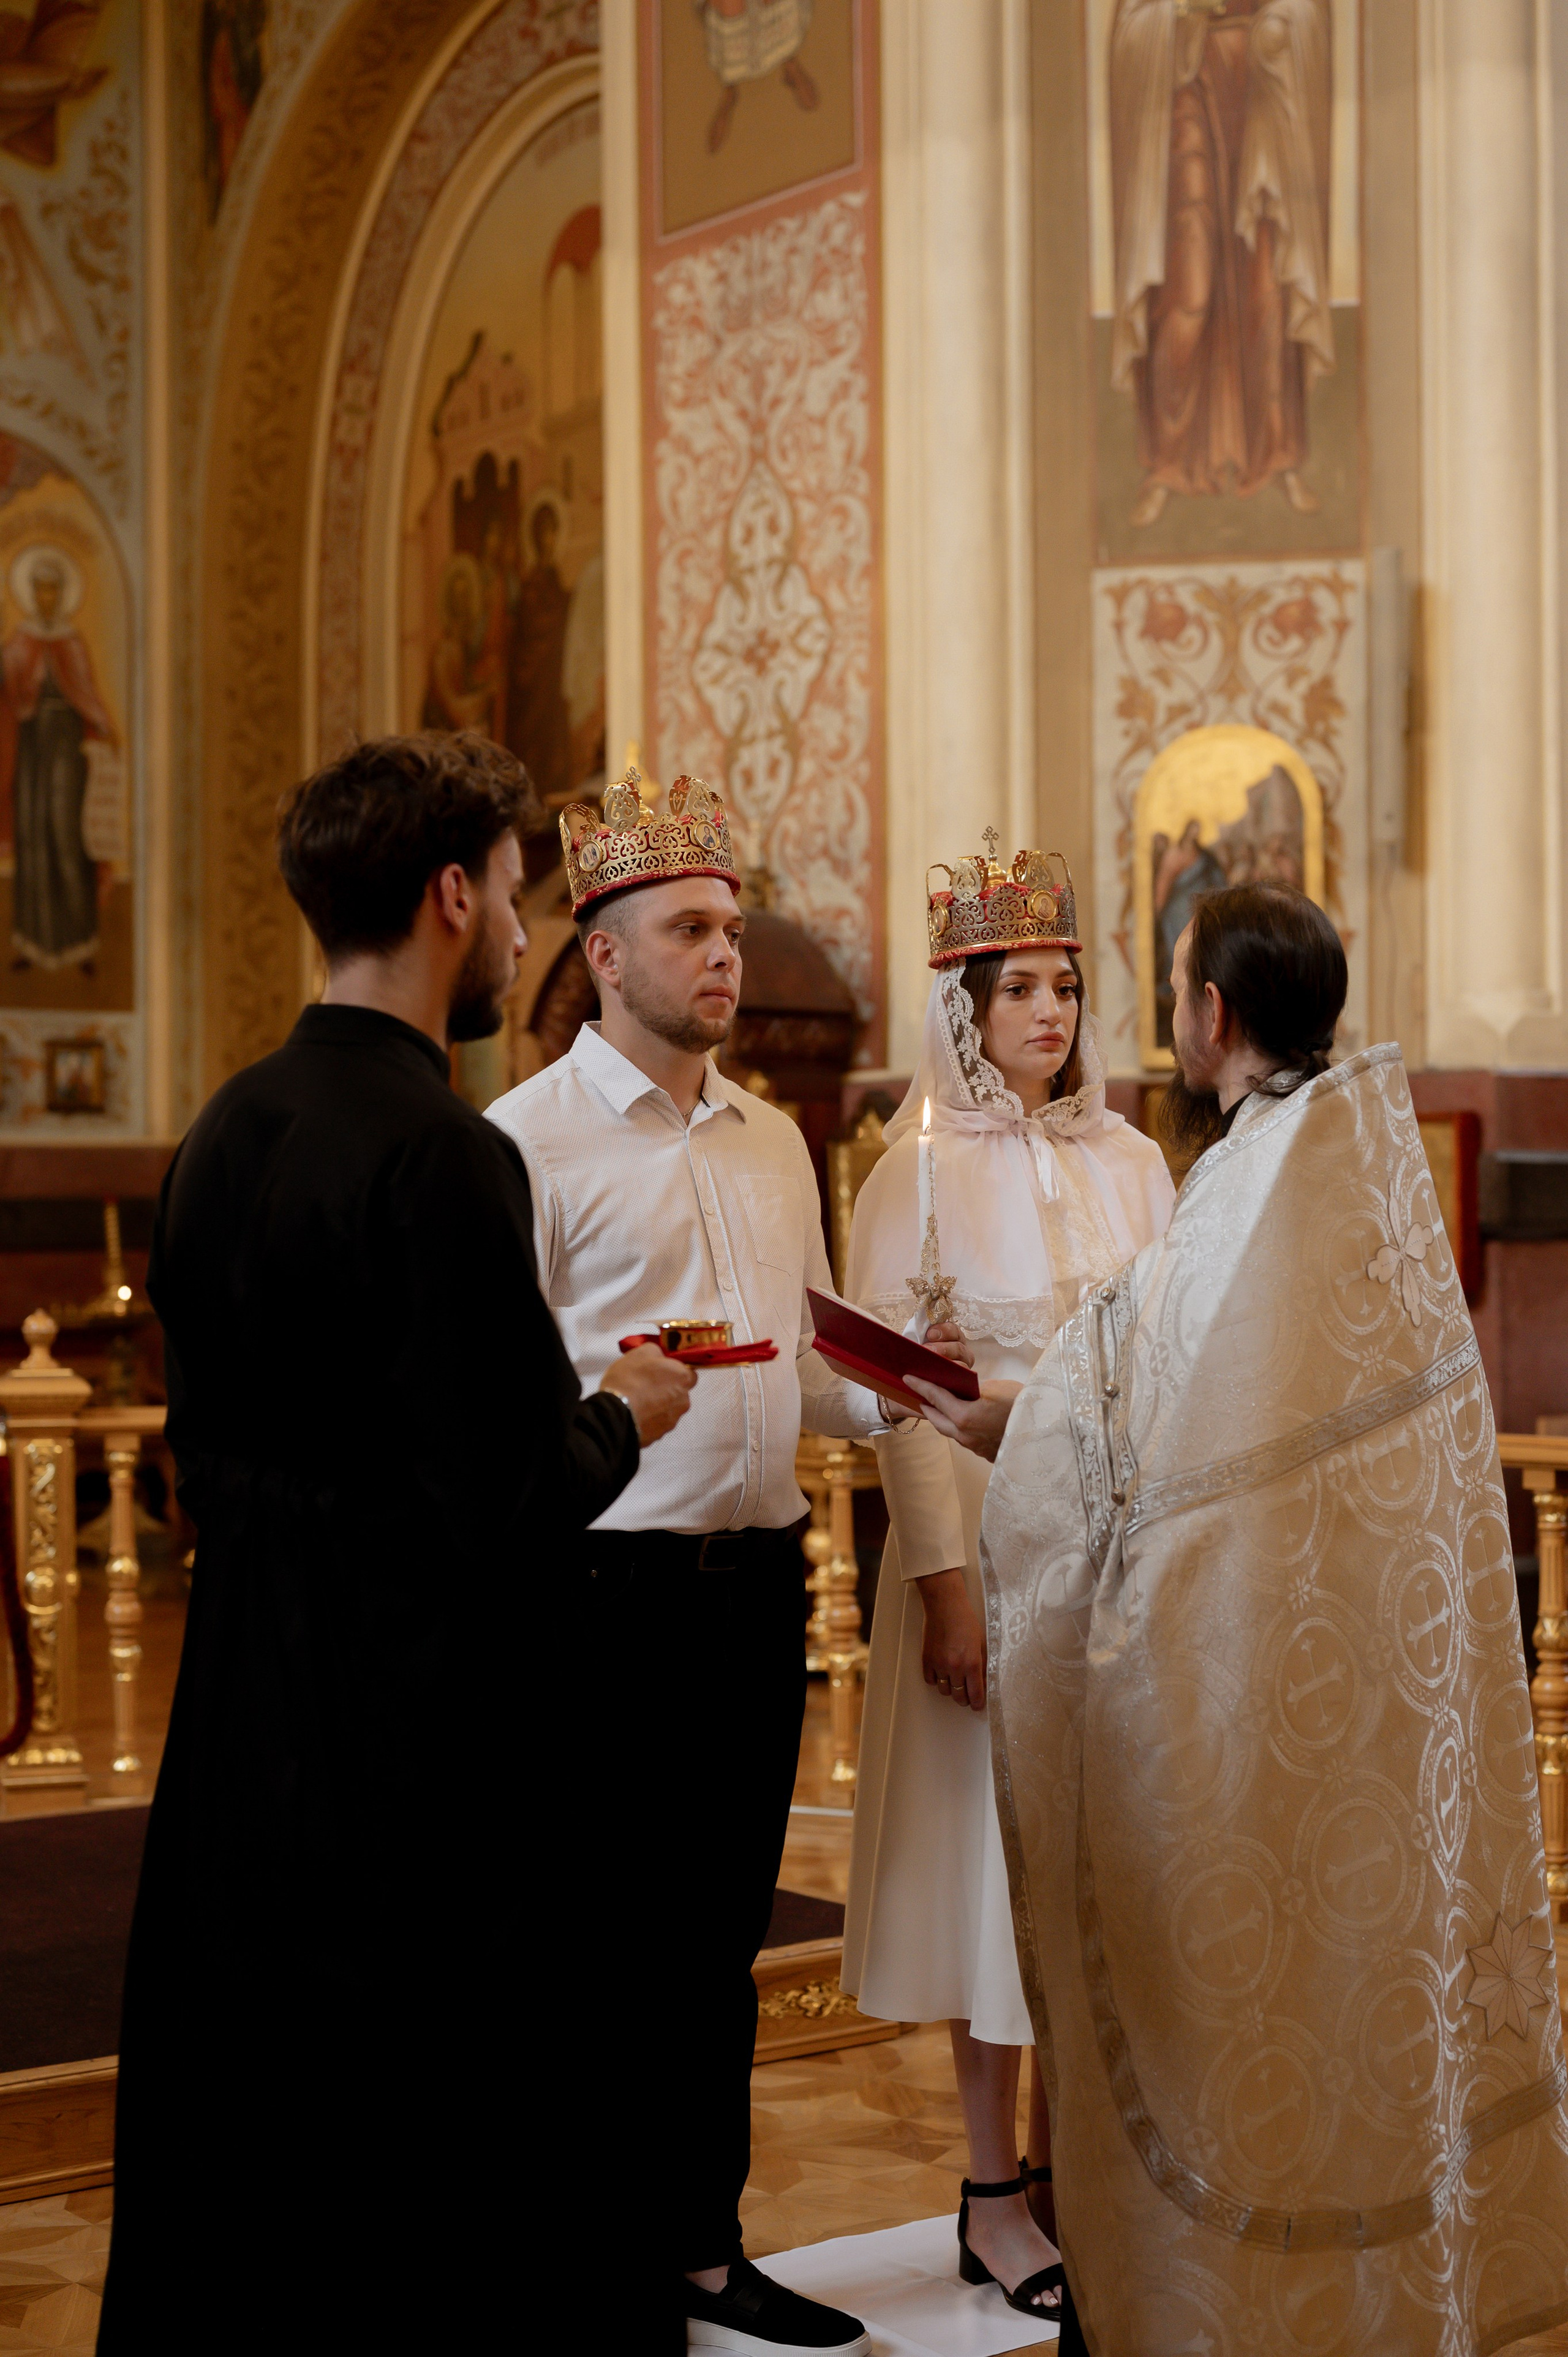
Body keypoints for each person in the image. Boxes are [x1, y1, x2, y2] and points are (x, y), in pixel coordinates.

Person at [97, 733, 694, 2355]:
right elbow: (502, 1497)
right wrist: (628, 1409)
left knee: (254, 2130)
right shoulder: (443, 1152)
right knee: (427, 2166)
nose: (519, 929)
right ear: (450, 895)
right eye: (509, 892)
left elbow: (210, 1452)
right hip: (414, 1740)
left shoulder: (225, 1126)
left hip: (240, 1718)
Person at [977, 883, 1568, 2353]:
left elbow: (1120, 1441)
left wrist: (999, 1415)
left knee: (1248, 2038)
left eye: (1173, 987)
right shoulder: (1359, 1171)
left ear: (1210, 1013)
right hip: (1366, 1718)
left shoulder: (1245, 1197)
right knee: (1358, 2020)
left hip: (1247, 1729)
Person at [486, 767, 888, 2356]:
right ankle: (587, 2270)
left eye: (729, 926)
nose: (726, 955)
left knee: (716, 1945)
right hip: (606, 1597)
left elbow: (814, 1361)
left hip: (756, 1586)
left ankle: (703, 2250)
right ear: (603, 954)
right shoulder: (522, 1145)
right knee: (597, 1949)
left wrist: (937, 1391)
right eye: (691, 931)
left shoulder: (774, 1140)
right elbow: (501, 1408)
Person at [840, 844, 1172, 2337]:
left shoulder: (1134, 1162)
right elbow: (892, 1397)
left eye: (1063, 985)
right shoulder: (911, 1168)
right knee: (991, 1872)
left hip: (1114, 1559)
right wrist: (943, 1588)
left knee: (1090, 1873)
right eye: (1018, 988)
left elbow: (1170, 1356)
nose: (1049, 1010)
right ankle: (987, 2191)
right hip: (981, 1550)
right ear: (963, 1010)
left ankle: (1061, 2168)